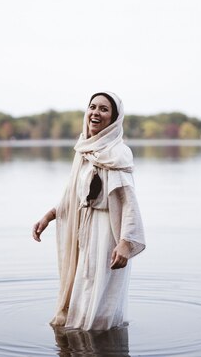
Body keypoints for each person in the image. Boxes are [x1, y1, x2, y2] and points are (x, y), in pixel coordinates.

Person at [32, 91, 146, 331]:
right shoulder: (84, 149)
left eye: (104, 109)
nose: (95, 112)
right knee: (82, 294)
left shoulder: (117, 154)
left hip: (107, 236)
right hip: (85, 232)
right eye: (92, 107)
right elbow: (73, 194)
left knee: (100, 303)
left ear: (114, 118)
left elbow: (129, 203)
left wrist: (126, 242)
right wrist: (49, 216)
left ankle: (99, 347)